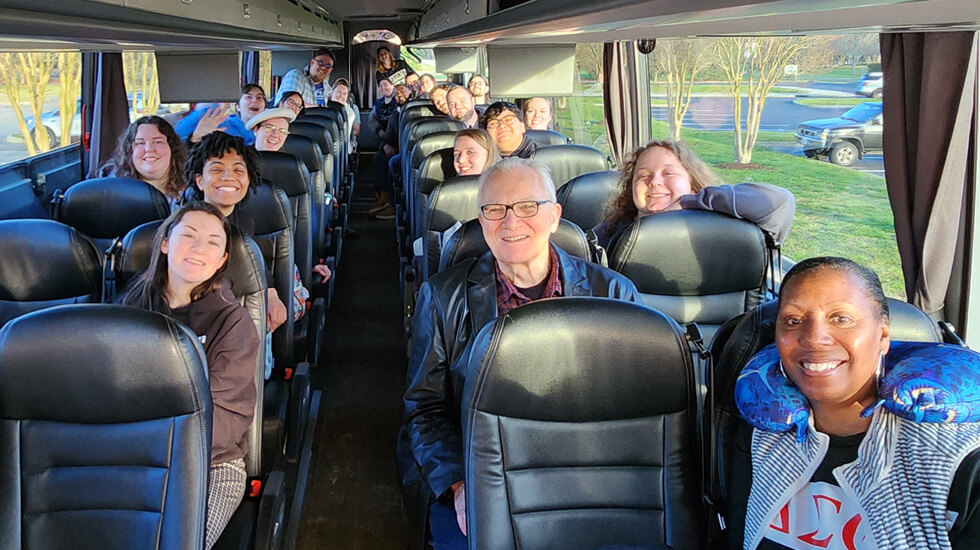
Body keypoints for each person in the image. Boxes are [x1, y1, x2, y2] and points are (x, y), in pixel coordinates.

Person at [400, 158, 641, 549]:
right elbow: (424, 407)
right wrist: (460, 486)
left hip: (586, 472)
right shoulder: (443, 297)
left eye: (528, 207)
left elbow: (634, 410)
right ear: (481, 219)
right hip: (483, 470)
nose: (510, 222)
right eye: (495, 210)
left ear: (554, 216)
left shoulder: (615, 295)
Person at [727, 256, 980, 549]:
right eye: (794, 321)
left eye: (840, 318)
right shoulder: (761, 438)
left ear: (883, 335)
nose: (814, 338)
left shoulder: (959, 461)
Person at [120, 201, 258, 550]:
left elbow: (224, 419)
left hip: (209, 466)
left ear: (223, 260)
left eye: (213, 242)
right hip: (126, 458)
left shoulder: (233, 322)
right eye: (189, 236)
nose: (200, 248)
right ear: (165, 242)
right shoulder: (127, 308)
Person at [594, 140, 796, 249]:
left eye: (669, 173)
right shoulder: (613, 230)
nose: (654, 181)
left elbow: (781, 202)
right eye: (643, 175)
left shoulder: (721, 226)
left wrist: (689, 202)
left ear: (692, 182)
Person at [101, 115, 187, 203]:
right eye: (140, 143)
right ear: (129, 151)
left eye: (158, 142)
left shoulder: (193, 192)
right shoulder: (112, 195)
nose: (149, 149)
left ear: (172, 148)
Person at [175, 83, 267, 146]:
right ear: (238, 106)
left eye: (259, 97)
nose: (255, 100)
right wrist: (195, 136)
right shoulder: (217, 122)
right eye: (248, 97)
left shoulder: (270, 130)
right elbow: (176, 138)